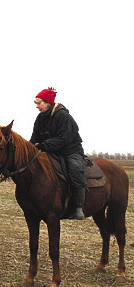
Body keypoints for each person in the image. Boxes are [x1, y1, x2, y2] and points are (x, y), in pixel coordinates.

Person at [30, 87, 86, 220]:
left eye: (39, 103)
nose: (37, 106)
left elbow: (64, 139)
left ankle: (79, 206)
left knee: (75, 169)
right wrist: (30, 148)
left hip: (70, 150)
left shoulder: (63, 116)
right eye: (36, 103)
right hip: (50, 150)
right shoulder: (40, 118)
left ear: (48, 103)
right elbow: (34, 138)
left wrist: (43, 145)